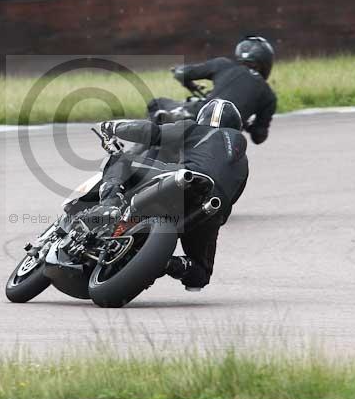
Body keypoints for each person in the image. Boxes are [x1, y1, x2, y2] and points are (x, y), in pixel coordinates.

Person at [95, 99, 249, 291]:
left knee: (121, 160)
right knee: (200, 276)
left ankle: (108, 205)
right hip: (210, 209)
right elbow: (231, 200)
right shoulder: (243, 163)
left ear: (203, 118)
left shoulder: (195, 129)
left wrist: (114, 127)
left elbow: (153, 133)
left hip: (186, 180)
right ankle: (168, 264)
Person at [148, 35, 278, 145]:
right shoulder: (268, 95)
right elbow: (259, 137)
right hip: (227, 135)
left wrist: (187, 81)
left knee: (156, 103)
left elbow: (182, 73)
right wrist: (249, 125)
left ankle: (158, 135)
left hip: (203, 112)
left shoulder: (224, 65)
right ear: (266, 62)